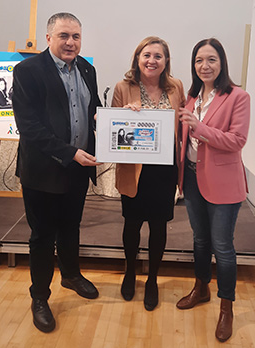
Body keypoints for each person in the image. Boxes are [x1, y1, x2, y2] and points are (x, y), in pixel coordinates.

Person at [12, 12, 102, 333]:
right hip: (43, 171)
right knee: (42, 236)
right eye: (64, 36)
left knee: (70, 227)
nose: (71, 42)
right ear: (48, 38)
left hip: (77, 170)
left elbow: (95, 112)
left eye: (76, 36)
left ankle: (71, 275)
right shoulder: (28, 71)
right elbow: (30, 128)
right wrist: (70, 153)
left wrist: (115, 125)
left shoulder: (87, 69)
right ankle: (40, 297)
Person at [176, 38, 250, 342]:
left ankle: (226, 308)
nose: (204, 66)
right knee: (200, 240)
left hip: (224, 183)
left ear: (222, 63)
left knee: (223, 248)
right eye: (198, 61)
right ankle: (201, 288)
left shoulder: (238, 96)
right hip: (191, 178)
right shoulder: (191, 99)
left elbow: (237, 141)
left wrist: (199, 128)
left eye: (211, 60)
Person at [112, 36, 185, 311]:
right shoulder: (123, 87)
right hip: (134, 169)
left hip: (165, 170)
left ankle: (152, 278)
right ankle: (130, 271)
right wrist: (124, 113)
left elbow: (184, 122)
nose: (152, 60)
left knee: (158, 225)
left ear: (166, 61)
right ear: (137, 58)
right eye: (147, 55)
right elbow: (114, 127)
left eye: (158, 56)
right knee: (131, 224)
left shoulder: (176, 87)